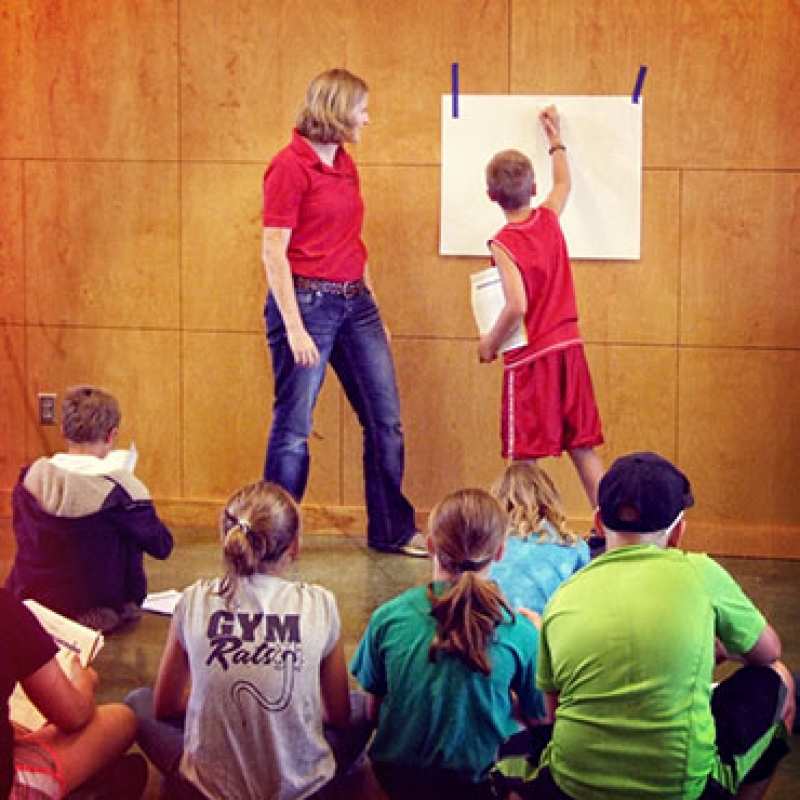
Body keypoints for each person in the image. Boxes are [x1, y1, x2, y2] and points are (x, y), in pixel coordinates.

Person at [494, 452, 795, 799]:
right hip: (682, 789)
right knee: (781, 679)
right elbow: (768, 650)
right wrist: (715, 650)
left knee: (509, 757)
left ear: (597, 523)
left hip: (575, 787)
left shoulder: (564, 596)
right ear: (678, 532)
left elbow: (554, 713)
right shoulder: (701, 574)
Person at [261, 67, 424, 557]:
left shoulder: (345, 163)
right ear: (337, 108)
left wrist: (373, 309)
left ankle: (391, 530)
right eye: (362, 109)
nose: (367, 119)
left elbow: (351, 241)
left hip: (356, 302)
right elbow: (273, 251)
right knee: (293, 429)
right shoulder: (288, 166)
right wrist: (293, 327)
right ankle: (272, 538)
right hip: (307, 302)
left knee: (385, 421)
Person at [125, 481, 372, 799]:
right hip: (302, 791)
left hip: (208, 790)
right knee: (361, 706)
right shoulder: (319, 604)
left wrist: (212, 700)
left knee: (137, 703)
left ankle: (187, 779)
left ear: (225, 538)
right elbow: (338, 714)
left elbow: (165, 706)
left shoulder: (195, 599)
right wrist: (295, 705)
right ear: (294, 546)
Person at [350, 488, 544, 799]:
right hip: (478, 786)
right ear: (499, 552)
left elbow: (373, 712)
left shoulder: (388, 617)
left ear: (430, 546)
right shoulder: (519, 631)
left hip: (397, 781)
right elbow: (540, 718)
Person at [478, 106, 604, 510]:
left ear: (490, 196)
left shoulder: (502, 242)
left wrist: (490, 344)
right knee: (582, 447)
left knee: (525, 458)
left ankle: (523, 533)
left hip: (531, 359)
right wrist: (556, 140)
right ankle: (612, 529)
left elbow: (517, 305)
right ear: (534, 191)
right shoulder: (548, 218)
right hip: (569, 350)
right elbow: (564, 182)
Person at [5, 385, 174, 633]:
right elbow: (162, 546)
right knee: (127, 528)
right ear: (111, 435)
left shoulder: (30, 477)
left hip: (31, 596)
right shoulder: (122, 490)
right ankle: (101, 608)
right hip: (93, 604)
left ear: (63, 430)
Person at [0, 588, 146, 799]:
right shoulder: (6, 611)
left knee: (19, 729)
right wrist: (84, 681)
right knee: (123, 718)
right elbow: (74, 715)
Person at [488, 462, 590, 615]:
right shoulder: (574, 547)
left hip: (492, 628)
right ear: (551, 499)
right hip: (547, 629)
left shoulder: (487, 543)